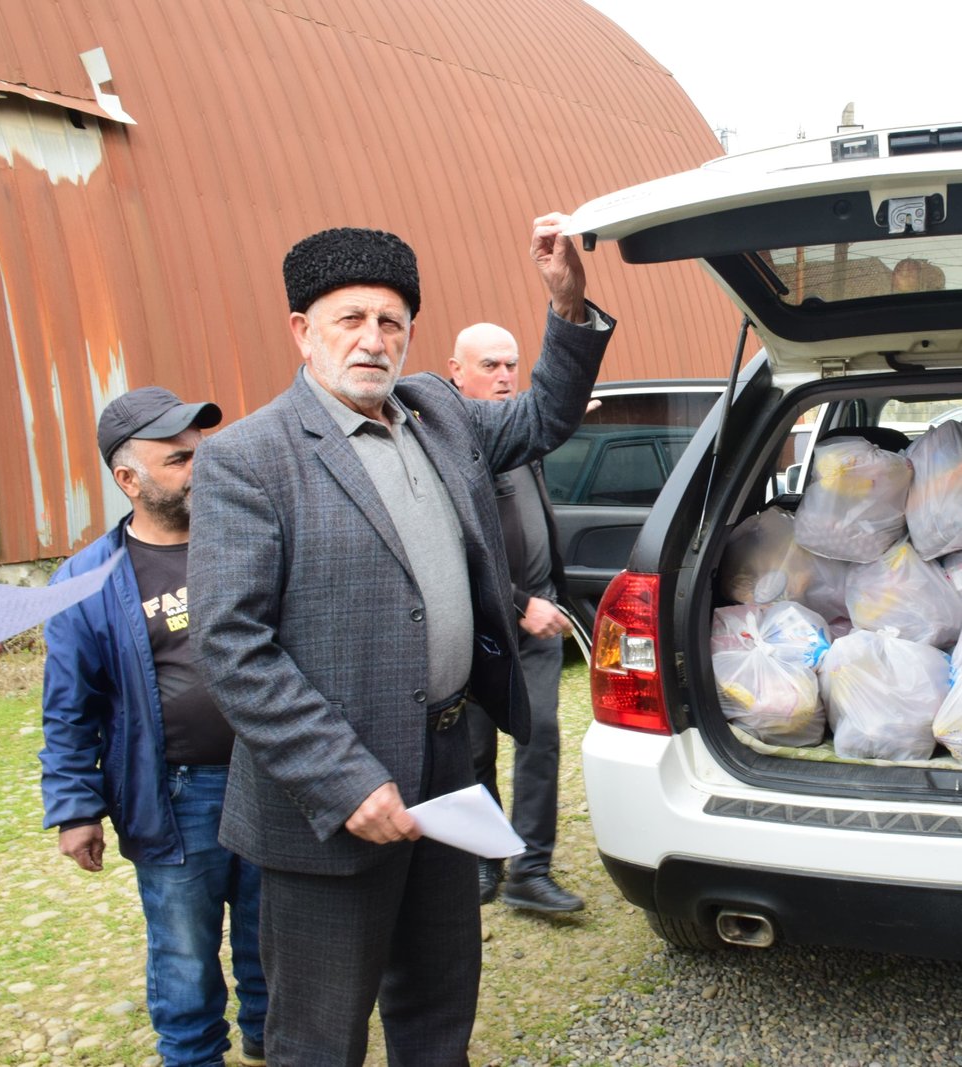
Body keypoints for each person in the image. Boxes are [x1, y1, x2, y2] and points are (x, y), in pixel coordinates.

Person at [187, 220, 613, 1066]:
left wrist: (567, 305)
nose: (373, 340)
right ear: (302, 331)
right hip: (331, 802)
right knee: (320, 1033)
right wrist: (343, 778)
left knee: (438, 1005)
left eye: (391, 321)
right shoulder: (248, 458)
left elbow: (545, 416)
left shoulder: (438, 413)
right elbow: (233, 644)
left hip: (447, 773)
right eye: (350, 319)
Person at [39, 387, 266, 1067]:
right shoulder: (85, 580)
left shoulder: (249, 540)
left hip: (270, 777)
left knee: (274, 934)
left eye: (202, 452)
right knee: (184, 951)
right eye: (178, 459)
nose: (200, 467)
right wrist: (75, 808)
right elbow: (69, 707)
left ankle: (274, 1038)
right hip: (175, 794)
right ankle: (193, 1055)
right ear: (129, 480)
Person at [449, 322, 582, 913]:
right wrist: (520, 605)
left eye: (511, 365)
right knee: (474, 749)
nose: (505, 377)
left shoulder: (521, 436)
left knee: (541, 737)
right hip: (480, 626)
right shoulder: (447, 446)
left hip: (538, 621)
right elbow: (452, 555)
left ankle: (531, 870)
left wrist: (545, 597)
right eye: (490, 366)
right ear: (457, 372)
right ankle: (485, 859)